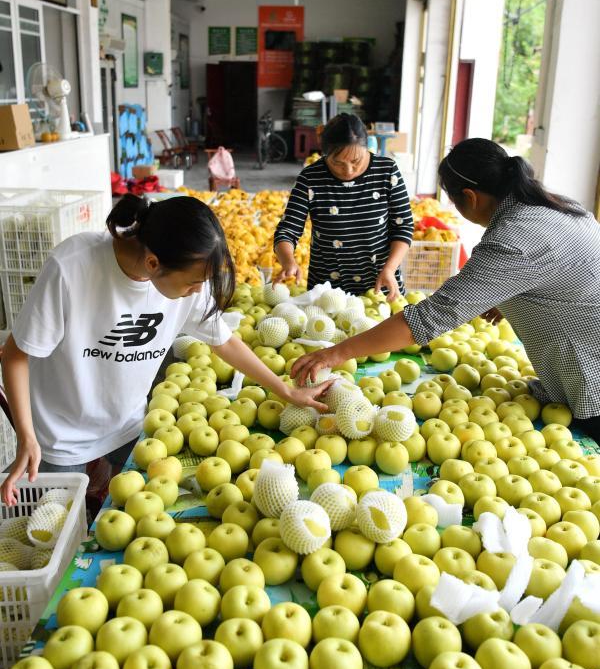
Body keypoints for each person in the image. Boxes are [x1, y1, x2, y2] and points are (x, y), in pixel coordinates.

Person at [1, 194, 331, 506]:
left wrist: (285, 389)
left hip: (127, 422)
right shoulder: (72, 267)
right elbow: (17, 355)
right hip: (60, 436)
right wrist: (27, 436)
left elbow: (224, 340)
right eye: (192, 284)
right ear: (152, 262)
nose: (198, 292)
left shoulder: (188, 273)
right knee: (55, 526)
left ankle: (100, 474)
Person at [291, 138, 600, 442]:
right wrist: (506, 291)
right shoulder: (561, 207)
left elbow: (426, 320)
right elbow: (561, 274)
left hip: (592, 378)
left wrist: (335, 353)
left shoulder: (512, 240)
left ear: (470, 197)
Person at [273, 113, 414, 301]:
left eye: (355, 161)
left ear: (367, 146)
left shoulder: (387, 171)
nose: (348, 171)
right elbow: (287, 229)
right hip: (326, 292)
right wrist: (288, 261)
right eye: (337, 162)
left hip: (380, 286)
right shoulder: (311, 178)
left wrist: (389, 268)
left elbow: (403, 227)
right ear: (325, 153)